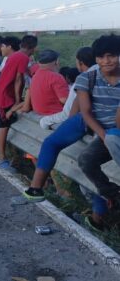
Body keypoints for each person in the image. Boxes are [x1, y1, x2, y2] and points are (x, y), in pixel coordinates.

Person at [19, 47, 94, 203]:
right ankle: (69, 197)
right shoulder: (57, 78)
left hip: (43, 120)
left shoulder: (36, 75)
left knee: (48, 154)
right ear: (56, 62)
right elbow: (65, 104)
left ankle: (44, 188)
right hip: (57, 121)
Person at [75, 34, 120, 212]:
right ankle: (114, 194)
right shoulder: (87, 78)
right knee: (86, 161)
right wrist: (104, 135)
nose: (106, 61)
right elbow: (85, 112)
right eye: (101, 57)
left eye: (111, 56)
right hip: (106, 133)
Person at [0, 35, 37, 171]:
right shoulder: (23, 57)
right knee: (4, 125)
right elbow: (18, 79)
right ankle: (1, 158)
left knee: (6, 122)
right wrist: (18, 99)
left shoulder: (16, 55)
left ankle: (7, 156)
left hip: (3, 92)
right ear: (34, 47)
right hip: (5, 95)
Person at [25, 50, 69, 116]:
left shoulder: (36, 75)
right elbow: (64, 100)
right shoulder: (56, 77)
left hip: (39, 113)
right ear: (56, 62)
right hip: (55, 114)